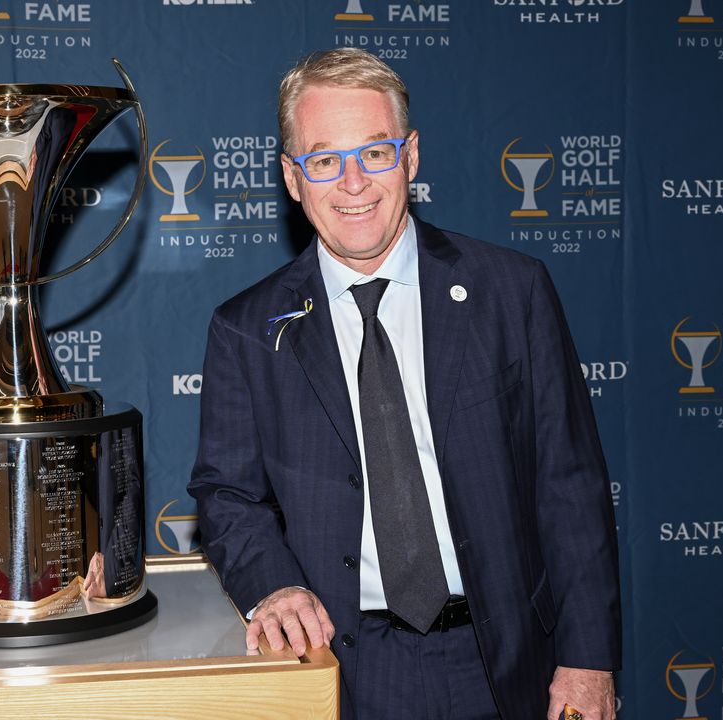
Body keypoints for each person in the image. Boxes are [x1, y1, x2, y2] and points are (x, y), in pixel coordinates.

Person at [188, 48, 620, 720]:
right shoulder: (246, 329)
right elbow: (226, 494)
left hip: (506, 661)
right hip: (345, 669)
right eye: (325, 159)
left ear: (411, 157)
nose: (353, 182)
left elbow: (570, 485)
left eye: (376, 153)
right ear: (292, 178)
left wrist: (588, 658)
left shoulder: (511, 291)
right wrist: (271, 586)